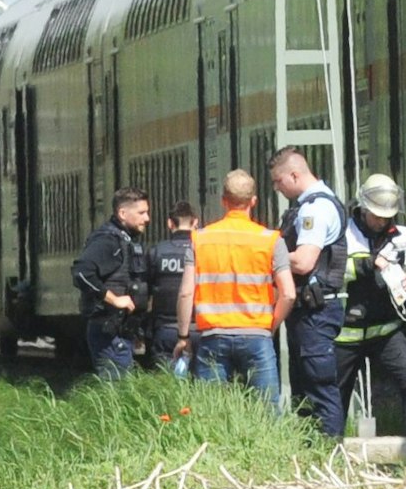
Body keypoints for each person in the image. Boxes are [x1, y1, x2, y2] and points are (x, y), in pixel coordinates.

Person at [175, 170, 295, 407]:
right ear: (253, 201)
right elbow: (289, 293)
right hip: (257, 336)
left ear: (223, 201)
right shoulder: (270, 240)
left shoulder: (200, 239)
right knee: (266, 413)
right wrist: (269, 325)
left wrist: (183, 336)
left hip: (213, 336)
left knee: (211, 413)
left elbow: (186, 292)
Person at [334, 174, 406, 447]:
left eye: (387, 216)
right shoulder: (342, 235)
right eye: (377, 216)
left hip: (388, 331)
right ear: (363, 208)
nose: (382, 221)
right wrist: (368, 265)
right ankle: (326, 452)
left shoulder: (402, 237)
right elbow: (332, 272)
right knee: (336, 396)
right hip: (346, 334)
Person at [269, 145, 349, 439]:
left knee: (318, 389)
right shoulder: (309, 206)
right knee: (304, 391)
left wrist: (266, 253)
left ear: (294, 174)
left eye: (278, 182)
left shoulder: (316, 208)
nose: (277, 188)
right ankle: (310, 456)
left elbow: (303, 262)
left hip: (316, 313)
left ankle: (328, 455)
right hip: (310, 312)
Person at [72, 187, 152, 380]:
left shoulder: (125, 241)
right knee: (117, 394)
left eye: (147, 212)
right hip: (109, 332)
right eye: (141, 213)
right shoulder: (108, 240)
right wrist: (114, 299)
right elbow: (81, 273)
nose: (147, 218)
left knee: (120, 393)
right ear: (122, 214)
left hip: (122, 332)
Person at [146, 201, 199, 373]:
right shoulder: (204, 252)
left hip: (165, 330)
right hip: (200, 330)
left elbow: (145, 292)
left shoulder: (157, 252)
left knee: (165, 387)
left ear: (169, 223)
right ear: (195, 222)